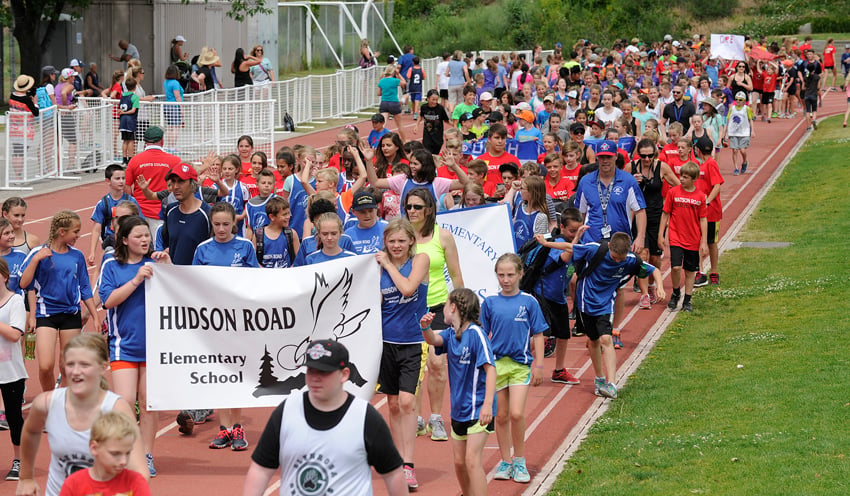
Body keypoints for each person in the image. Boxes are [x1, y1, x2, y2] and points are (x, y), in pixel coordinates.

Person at [243, 339, 407, 496]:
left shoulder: (365, 417)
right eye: (311, 370)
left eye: (324, 372)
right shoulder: (287, 411)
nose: (315, 378)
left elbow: (393, 473)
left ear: (344, 375)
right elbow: (261, 469)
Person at [16, 334, 148, 496]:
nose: (76, 372)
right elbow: (30, 431)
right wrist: (26, 477)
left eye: (84, 365)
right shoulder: (48, 403)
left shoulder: (116, 408)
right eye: (70, 364)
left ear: (103, 367)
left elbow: (140, 469)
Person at [98, 215, 171, 478]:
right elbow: (108, 301)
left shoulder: (156, 263)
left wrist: (169, 265)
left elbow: (178, 292)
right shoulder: (111, 265)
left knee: (149, 403)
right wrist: (136, 279)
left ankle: (146, 454)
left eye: (147, 235)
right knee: (125, 402)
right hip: (123, 345)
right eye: (139, 236)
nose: (145, 240)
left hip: (153, 345)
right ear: (125, 239)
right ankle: (131, 451)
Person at [192, 202, 258, 451]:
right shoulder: (202, 249)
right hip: (213, 322)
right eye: (217, 224)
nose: (221, 229)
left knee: (238, 372)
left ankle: (238, 426)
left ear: (234, 223)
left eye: (226, 224)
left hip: (239, 321)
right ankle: (224, 429)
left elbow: (256, 279)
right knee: (220, 373)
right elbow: (192, 283)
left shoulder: (245, 246)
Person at [419, 288, 495, 496]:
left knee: (471, 461)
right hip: (458, 410)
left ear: (453, 307)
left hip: (478, 410)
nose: (443, 309)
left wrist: (488, 404)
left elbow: (491, 370)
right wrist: (425, 328)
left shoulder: (476, 335)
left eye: (445, 304)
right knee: (460, 463)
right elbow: (433, 341)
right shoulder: (451, 334)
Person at [403, 188, 463, 443]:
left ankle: (436, 417)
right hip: (409, 308)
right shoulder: (401, 236)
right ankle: (416, 418)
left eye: (417, 207)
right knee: (414, 365)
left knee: (437, 364)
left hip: (437, 307)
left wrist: (461, 310)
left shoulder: (444, 237)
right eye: (409, 207)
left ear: (429, 209)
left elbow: (456, 275)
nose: (412, 211)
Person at [375, 218, 430, 490]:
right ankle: (397, 460)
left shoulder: (420, 261)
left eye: (400, 241)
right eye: (391, 241)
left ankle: (408, 464)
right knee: (394, 404)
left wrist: (386, 264)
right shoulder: (378, 270)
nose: (396, 246)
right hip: (385, 343)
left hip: (413, 342)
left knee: (408, 402)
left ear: (411, 241)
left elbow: (408, 288)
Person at [482, 254, 546, 484]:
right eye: (501, 275)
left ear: (520, 274)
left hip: (520, 364)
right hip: (497, 365)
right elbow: (482, 336)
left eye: (510, 275)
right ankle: (505, 460)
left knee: (517, 414)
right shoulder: (489, 302)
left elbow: (539, 334)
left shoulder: (529, 301)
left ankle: (519, 460)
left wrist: (538, 365)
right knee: (501, 416)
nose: (506, 280)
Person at [19, 211, 99, 393]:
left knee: (67, 365)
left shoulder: (77, 256)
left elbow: (85, 287)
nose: (78, 236)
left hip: (70, 314)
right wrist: (37, 259)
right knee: (46, 366)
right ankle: (49, 399)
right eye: (76, 232)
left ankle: (64, 402)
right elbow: (24, 283)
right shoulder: (38, 252)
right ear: (62, 231)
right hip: (45, 313)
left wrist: (94, 315)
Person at [532, 208, 585, 383]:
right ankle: (512, 357)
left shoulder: (575, 242)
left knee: (563, 334)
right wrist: (576, 240)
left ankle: (559, 370)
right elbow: (564, 257)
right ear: (562, 227)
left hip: (558, 297)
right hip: (543, 294)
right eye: (571, 231)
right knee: (544, 334)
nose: (574, 235)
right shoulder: (557, 242)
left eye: (577, 231)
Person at [58, 411, 151, 496]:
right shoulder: (74, 484)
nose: (123, 461)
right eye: (115, 454)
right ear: (94, 448)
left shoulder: (136, 482)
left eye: (127, 453)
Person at [658, 162, 707, 312]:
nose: (682, 179)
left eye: (685, 177)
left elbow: (703, 219)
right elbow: (665, 213)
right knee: (676, 267)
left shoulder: (699, 196)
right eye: (681, 176)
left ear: (694, 179)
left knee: (690, 270)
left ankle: (687, 299)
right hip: (675, 236)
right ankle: (676, 292)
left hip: (692, 238)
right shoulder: (673, 192)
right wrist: (661, 234)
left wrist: (703, 241)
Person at [124, 126, 182, 230]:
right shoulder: (175, 161)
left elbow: (127, 187)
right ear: (162, 140)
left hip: (139, 212)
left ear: (145, 141)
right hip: (164, 212)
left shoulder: (134, 160)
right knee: (160, 245)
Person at [0, 257, 26, 481]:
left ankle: (19, 460)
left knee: (14, 417)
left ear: (5, 276)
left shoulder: (15, 301)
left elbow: (14, 334)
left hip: (11, 371)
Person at [692, 137, 724, 287]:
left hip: (712, 212)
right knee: (698, 241)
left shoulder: (711, 164)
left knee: (711, 242)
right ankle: (701, 271)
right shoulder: (699, 164)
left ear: (698, 149)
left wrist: (707, 201)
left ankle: (714, 271)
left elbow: (717, 185)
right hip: (699, 211)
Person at [256, 197, 300, 268]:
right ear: (272, 217)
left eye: (288, 213)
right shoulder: (259, 235)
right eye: (284, 214)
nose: (288, 216)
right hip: (264, 277)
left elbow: (299, 259)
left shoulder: (291, 234)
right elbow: (252, 259)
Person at [724, 91, 754, 175]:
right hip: (733, 132)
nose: (738, 101)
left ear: (744, 101)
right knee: (734, 150)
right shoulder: (732, 109)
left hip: (744, 132)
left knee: (742, 150)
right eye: (736, 99)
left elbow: (750, 119)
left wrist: (753, 131)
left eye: (740, 100)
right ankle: (736, 168)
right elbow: (728, 120)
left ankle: (744, 162)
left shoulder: (747, 109)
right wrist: (726, 133)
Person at [378, 64, 408, 143]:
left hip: (384, 102)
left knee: (382, 124)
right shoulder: (395, 80)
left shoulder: (381, 81)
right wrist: (398, 74)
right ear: (393, 72)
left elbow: (378, 93)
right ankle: (404, 141)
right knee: (399, 124)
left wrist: (385, 91)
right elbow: (404, 83)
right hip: (394, 102)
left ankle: (379, 141)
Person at [118, 77, 140, 164]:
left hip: (123, 121)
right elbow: (133, 110)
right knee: (131, 140)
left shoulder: (123, 96)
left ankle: (124, 158)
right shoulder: (134, 97)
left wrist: (122, 112)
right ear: (135, 87)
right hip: (130, 121)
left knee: (125, 140)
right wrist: (125, 112)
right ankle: (130, 158)